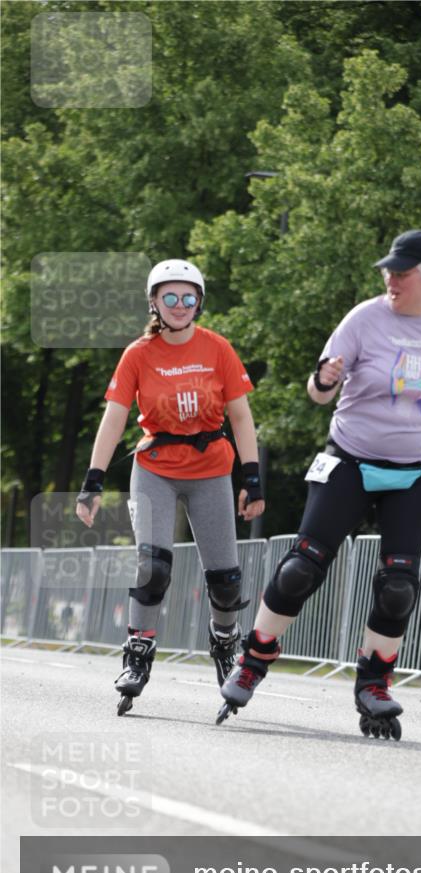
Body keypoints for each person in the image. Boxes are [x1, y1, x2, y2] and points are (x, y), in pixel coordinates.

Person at [218, 230, 421, 738]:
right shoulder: (364, 318)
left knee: (400, 585)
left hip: (415, 473)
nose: (391, 279)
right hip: (350, 461)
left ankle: (373, 684)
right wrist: (326, 378)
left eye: (401, 272)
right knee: (300, 568)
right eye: (388, 271)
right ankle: (253, 659)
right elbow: (317, 391)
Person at [75, 258, 264, 715]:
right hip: (155, 466)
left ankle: (224, 641)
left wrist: (252, 477)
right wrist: (93, 480)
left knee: (225, 580)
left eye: (188, 297)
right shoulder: (138, 354)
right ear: (155, 302)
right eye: (170, 297)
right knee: (152, 568)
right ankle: (137, 654)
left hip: (211, 470)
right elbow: (114, 418)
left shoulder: (218, 348)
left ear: (199, 302)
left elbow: (240, 416)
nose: (180, 305)